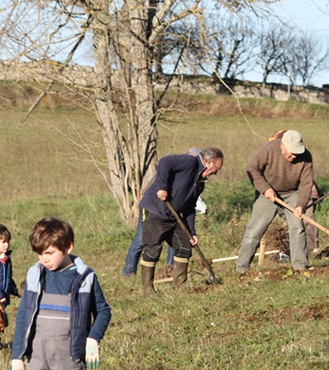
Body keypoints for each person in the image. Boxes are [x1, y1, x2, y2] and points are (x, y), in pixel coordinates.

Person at [11, 217, 111, 370]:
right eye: (40, 253)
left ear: (68, 247)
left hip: (69, 360)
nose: (44, 259)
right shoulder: (35, 276)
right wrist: (17, 356)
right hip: (37, 359)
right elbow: (23, 315)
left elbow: (103, 311)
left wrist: (92, 339)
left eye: (49, 253)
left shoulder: (85, 278)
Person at [139, 147, 224, 297]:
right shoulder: (189, 162)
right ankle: (148, 291)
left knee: (185, 246)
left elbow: (190, 207)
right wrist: (162, 187)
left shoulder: (200, 184)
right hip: (155, 210)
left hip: (174, 216)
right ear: (209, 163)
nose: (216, 172)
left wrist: (192, 231)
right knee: (152, 251)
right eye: (217, 168)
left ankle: (180, 287)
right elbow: (165, 162)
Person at [236, 130, 313, 274]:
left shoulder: (306, 157)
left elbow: (306, 184)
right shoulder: (270, 148)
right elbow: (251, 168)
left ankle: (300, 266)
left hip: (292, 193)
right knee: (255, 230)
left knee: (297, 227)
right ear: (282, 145)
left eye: (297, 153)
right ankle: (241, 268)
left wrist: (300, 205)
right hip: (267, 193)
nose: (293, 156)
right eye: (291, 152)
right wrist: (265, 189)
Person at [122, 148, 207, 277]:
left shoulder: (195, 180)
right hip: (153, 209)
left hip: (171, 213)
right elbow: (153, 190)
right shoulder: (170, 173)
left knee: (177, 241)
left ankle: (170, 268)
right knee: (141, 240)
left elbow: (189, 204)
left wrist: (192, 231)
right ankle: (129, 272)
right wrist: (162, 190)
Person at [0, 224, 19, 334]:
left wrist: (13, 288)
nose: (6, 245)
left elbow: (8, 277)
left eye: (8, 241)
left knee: (3, 321)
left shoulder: (6, 260)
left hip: (3, 297)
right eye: (3, 242)